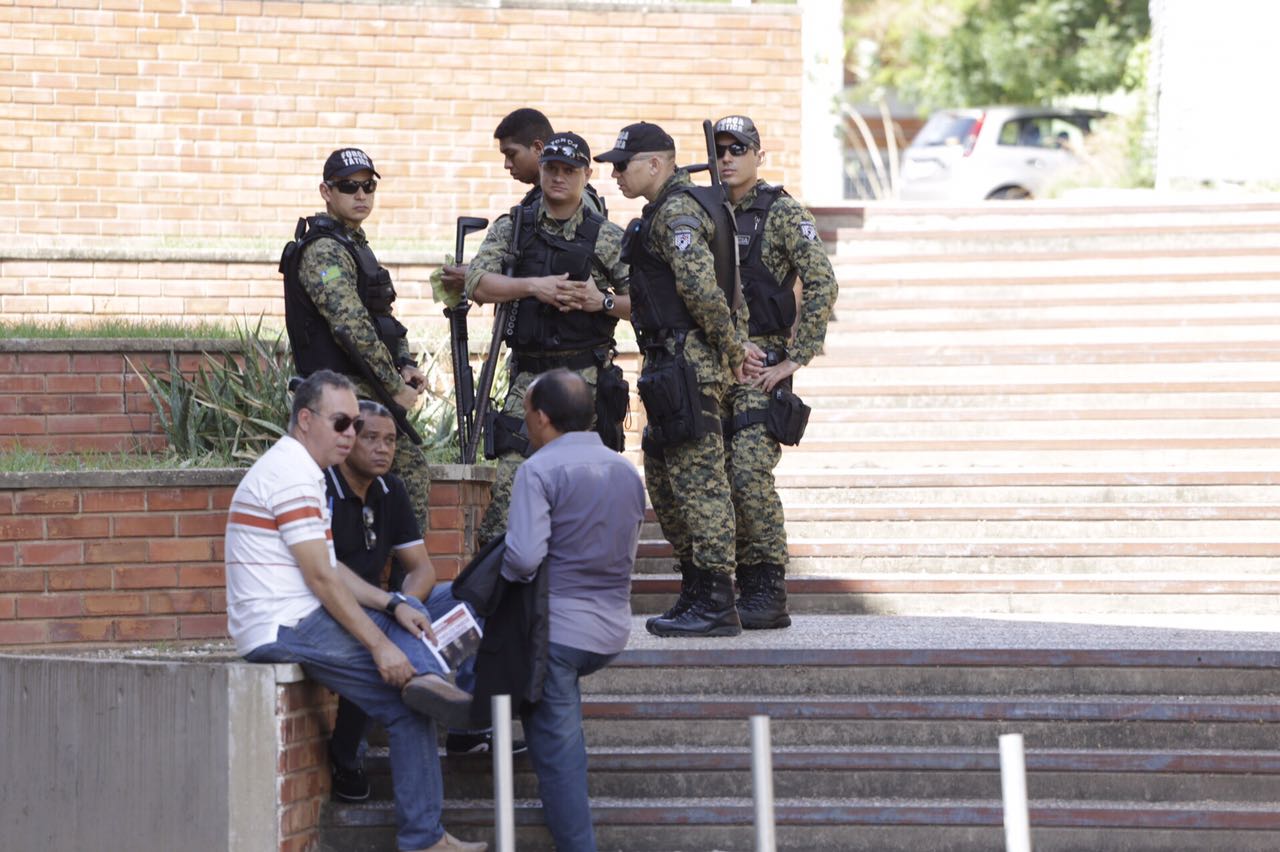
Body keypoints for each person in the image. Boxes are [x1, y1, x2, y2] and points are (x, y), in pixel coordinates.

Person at [224, 371, 486, 852]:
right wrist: (381, 646)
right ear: (305, 420)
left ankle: (434, 690)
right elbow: (322, 579)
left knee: (414, 646)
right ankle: (438, 690)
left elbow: (330, 570)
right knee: (408, 692)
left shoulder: (300, 471)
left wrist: (392, 602)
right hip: (284, 625)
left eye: (352, 425)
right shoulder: (293, 476)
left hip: (299, 615)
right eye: (342, 423)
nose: (348, 434)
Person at [594, 122, 755, 638]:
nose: (616, 173)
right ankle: (695, 591)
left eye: (624, 163)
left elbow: (706, 293)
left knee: (700, 484)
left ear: (657, 163)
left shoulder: (680, 212)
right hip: (667, 363)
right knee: (665, 483)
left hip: (690, 365)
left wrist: (733, 352)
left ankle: (715, 598)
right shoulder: (661, 212)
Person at [323, 402, 521, 804]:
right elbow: (323, 572)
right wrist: (393, 612)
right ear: (347, 441)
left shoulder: (390, 489)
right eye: (371, 438)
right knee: (380, 651)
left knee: (474, 600)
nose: (383, 449)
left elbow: (422, 571)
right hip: (332, 610)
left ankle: (466, 728)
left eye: (391, 440)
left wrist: (404, 604)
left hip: (387, 605)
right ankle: (347, 757)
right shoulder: (321, 489)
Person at [501, 369, 646, 852]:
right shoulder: (626, 471)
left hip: (558, 633)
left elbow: (522, 559)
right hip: (611, 629)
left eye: (527, 417)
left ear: (542, 417)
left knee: (560, 753)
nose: (525, 426)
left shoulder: (538, 470)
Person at [463, 131, 630, 546]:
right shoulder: (514, 228)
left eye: (569, 170)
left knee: (584, 499)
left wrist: (601, 302)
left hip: (586, 380)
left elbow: (648, 303)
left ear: (586, 174)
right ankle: (501, 595)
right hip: (530, 382)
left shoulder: (606, 236)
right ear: (540, 170)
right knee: (508, 494)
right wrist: (533, 287)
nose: (559, 177)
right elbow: (477, 283)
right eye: (551, 168)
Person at [713, 115, 838, 629]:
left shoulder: (782, 213)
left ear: (758, 155)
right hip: (710, 362)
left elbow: (822, 282)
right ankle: (716, 585)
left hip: (760, 364)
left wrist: (795, 357)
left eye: (737, 148)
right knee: (708, 480)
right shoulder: (704, 211)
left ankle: (766, 586)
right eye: (719, 149)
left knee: (747, 472)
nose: (726, 158)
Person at [280, 147, 433, 527]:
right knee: (407, 466)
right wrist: (393, 388)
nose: (361, 195)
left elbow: (380, 316)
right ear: (326, 192)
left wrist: (404, 364)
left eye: (369, 186)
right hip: (335, 389)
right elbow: (351, 327)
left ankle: (396, 571)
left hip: (362, 385)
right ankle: (404, 572)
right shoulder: (324, 251)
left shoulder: (353, 244)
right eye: (349, 186)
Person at [440, 109, 605, 298]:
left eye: (512, 154)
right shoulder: (532, 206)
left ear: (538, 148)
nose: (507, 164)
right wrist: (482, 272)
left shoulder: (577, 202)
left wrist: (485, 276)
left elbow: (565, 270)